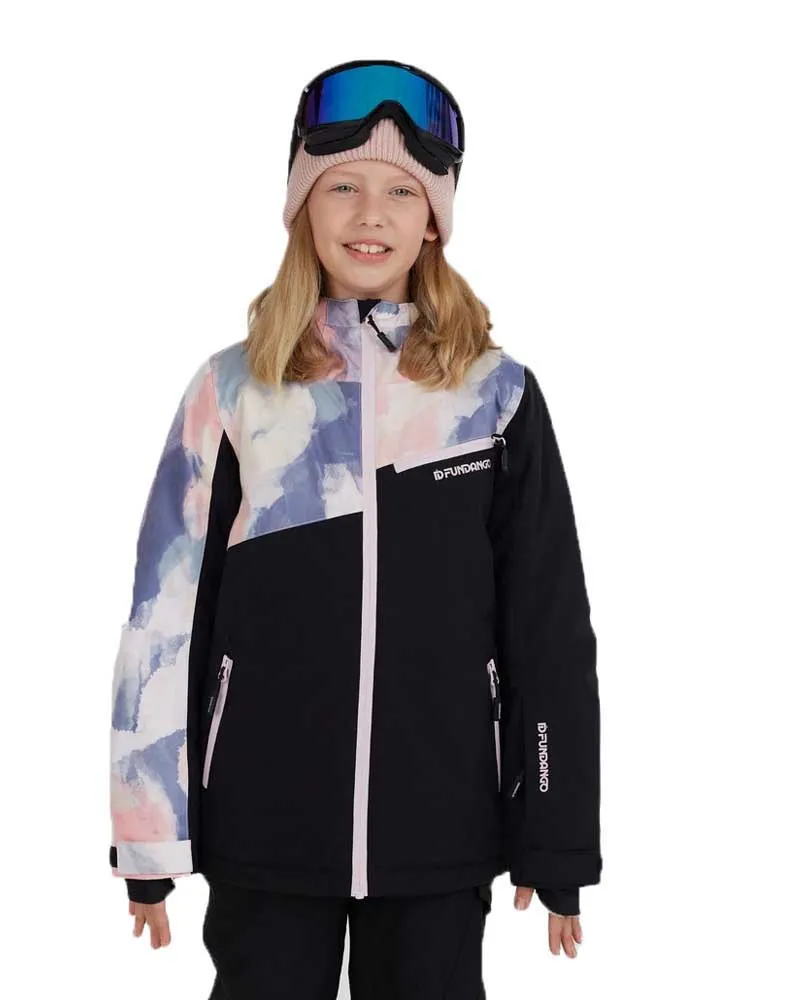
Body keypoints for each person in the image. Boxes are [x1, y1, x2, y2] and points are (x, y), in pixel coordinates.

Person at [108, 59, 602, 995]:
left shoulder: (493, 396)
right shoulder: (232, 390)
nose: (370, 214)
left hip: (442, 829)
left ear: (434, 220)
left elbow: (547, 624)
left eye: (401, 191)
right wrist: (150, 836)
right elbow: (163, 618)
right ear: (302, 207)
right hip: (264, 825)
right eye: (342, 186)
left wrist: (557, 833)